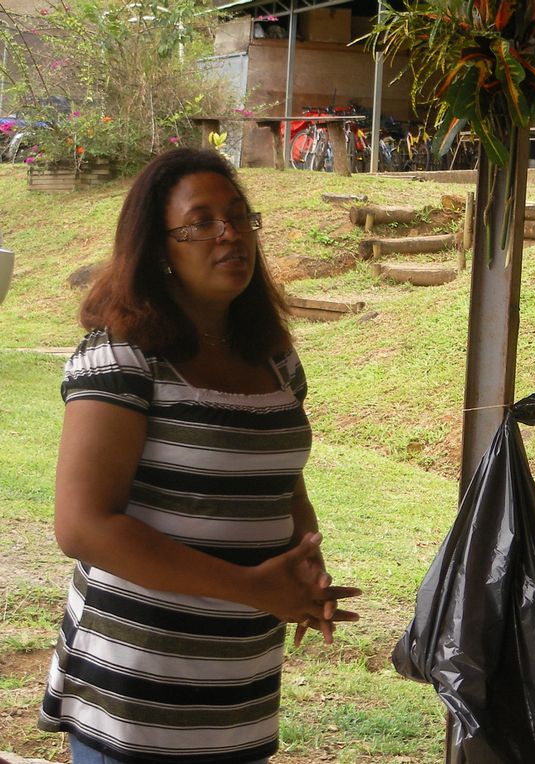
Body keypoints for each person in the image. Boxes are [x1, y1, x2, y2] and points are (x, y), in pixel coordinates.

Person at [37, 148, 361, 762]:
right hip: (135, 695)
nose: (230, 234)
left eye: (239, 216)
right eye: (203, 221)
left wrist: (303, 556)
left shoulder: (273, 358)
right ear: (159, 247)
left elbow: (282, 484)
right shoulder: (122, 357)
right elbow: (83, 526)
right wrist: (251, 588)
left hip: (236, 689)